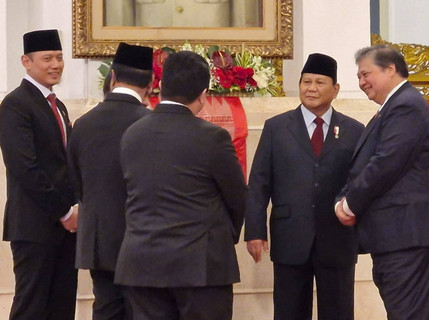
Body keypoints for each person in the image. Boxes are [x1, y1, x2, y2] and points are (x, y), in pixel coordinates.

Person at [114, 50, 247, 320]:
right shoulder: (212, 138)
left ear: (160, 86)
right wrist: (225, 238)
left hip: (142, 265)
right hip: (201, 267)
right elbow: (237, 198)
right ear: (203, 94)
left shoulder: (132, 134)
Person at [335, 44, 429, 320]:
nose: (362, 82)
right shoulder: (392, 107)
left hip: (408, 234)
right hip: (396, 236)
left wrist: (349, 204)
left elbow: (386, 164)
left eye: (366, 74)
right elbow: (365, 164)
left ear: (390, 69)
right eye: (359, 76)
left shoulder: (405, 105)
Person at [244, 53, 364, 320]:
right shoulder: (276, 127)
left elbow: (361, 183)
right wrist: (254, 231)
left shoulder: (354, 130)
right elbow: (259, 183)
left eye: (320, 82)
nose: (311, 88)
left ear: (335, 90)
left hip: (337, 239)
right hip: (290, 237)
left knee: (339, 311)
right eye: (306, 81)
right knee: (289, 311)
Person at [68, 42, 153, 320]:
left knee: (106, 310)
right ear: (151, 84)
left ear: (112, 77)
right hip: (145, 240)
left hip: (100, 241)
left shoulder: (83, 124)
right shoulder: (152, 125)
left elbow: (76, 184)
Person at [0, 29, 78, 320]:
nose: (55, 65)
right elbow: (25, 168)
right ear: (26, 61)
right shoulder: (16, 105)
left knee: (61, 308)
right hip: (34, 227)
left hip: (65, 229)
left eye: (59, 57)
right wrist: (65, 212)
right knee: (31, 308)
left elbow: (65, 165)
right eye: (47, 58)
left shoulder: (59, 107)